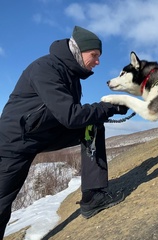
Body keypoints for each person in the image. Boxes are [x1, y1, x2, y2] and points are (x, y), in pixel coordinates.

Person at [0, 26, 128, 238]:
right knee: (2, 201)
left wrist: (105, 111)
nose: (98, 61)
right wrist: (111, 106)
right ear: (78, 50)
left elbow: (72, 118)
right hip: (15, 142)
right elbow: (70, 115)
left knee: (92, 125)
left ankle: (92, 197)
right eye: (94, 55)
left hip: (44, 133)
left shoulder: (72, 76)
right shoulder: (46, 68)